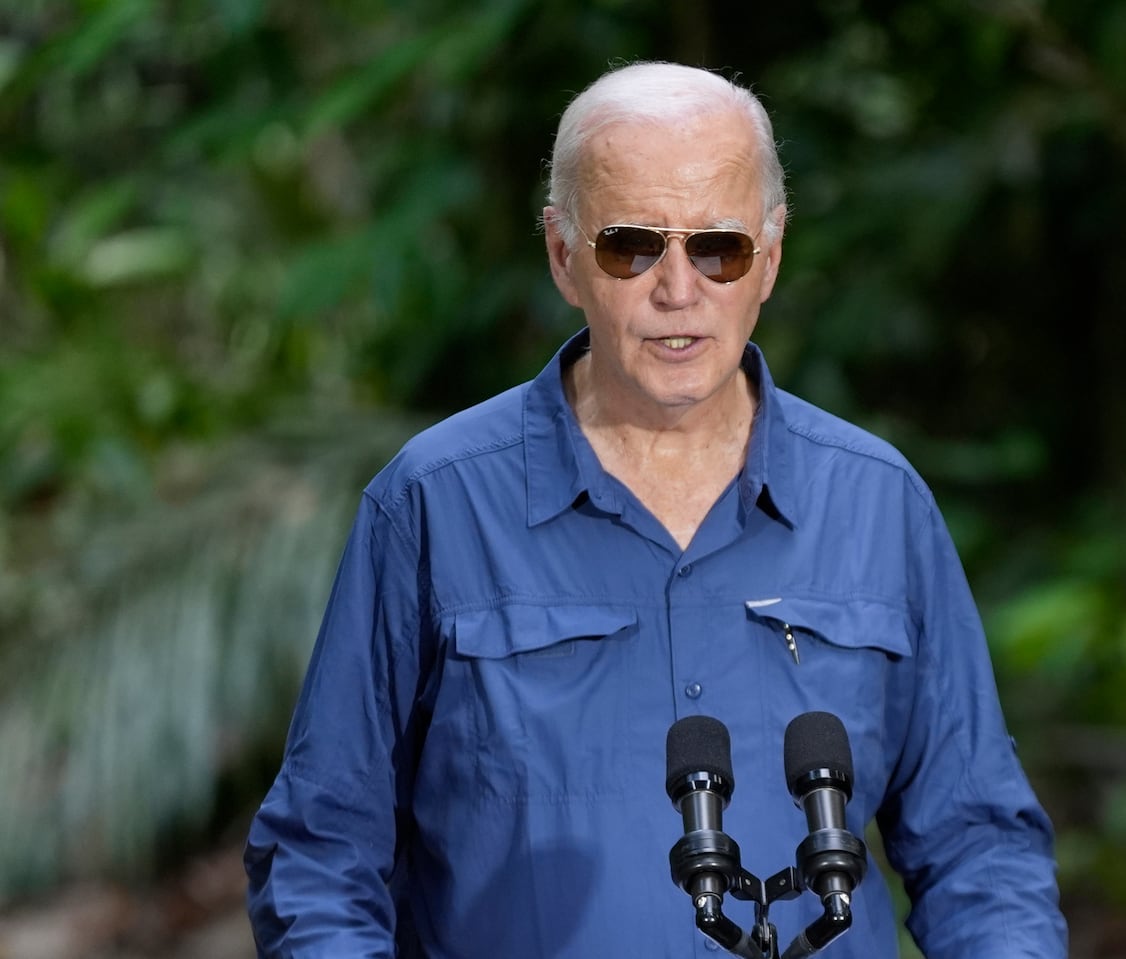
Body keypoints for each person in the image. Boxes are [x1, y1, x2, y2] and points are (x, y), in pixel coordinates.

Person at [244, 61, 1067, 958]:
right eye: (632, 246)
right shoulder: (435, 504)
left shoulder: (878, 503)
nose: (679, 290)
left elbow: (981, 850)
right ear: (563, 255)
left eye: (719, 247)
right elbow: (320, 856)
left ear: (771, 257)